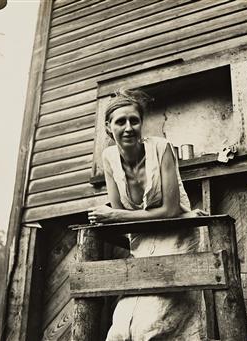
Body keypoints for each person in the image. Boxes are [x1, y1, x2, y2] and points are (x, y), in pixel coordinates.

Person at [88, 89, 206, 341]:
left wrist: (117, 217)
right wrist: (109, 216)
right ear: (109, 128)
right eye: (121, 122)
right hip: (141, 244)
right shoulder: (108, 158)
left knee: (149, 329)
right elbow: (119, 210)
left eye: (134, 120)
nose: (129, 127)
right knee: (119, 332)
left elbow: (170, 210)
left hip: (176, 239)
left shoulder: (161, 149)